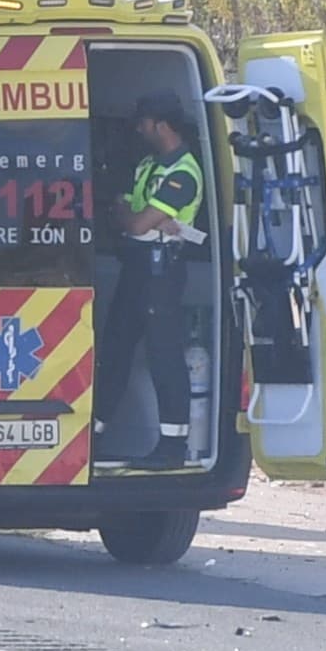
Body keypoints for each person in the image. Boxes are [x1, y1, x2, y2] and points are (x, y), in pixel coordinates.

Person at [101, 97, 207, 459]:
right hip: (137, 266)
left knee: (163, 355)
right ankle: (96, 431)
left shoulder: (184, 172)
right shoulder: (148, 164)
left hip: (163, 270)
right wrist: (136, 216)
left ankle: (173, 444)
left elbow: (133, 221)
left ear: (162, 125)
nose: (139, 129)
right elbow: (122, 211)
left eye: (144, 123)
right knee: (114, 348)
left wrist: (135, 216)